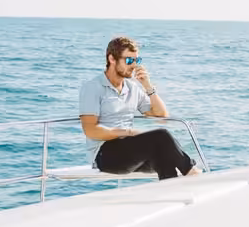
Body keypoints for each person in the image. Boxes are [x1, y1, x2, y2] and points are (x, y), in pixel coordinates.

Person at [78, 36, 198, 178]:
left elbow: (161, 116)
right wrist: (127, 132)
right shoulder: (93, 87)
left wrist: (147, 85)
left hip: (128, 150)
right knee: (161, 136)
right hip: (105, 155)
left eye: (137, 60)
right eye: (129, 60)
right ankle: (192, 173)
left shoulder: (132, 88)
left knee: (164, 156)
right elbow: (90, 130)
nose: (134, 65)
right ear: (112, 59)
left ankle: (171, 196)